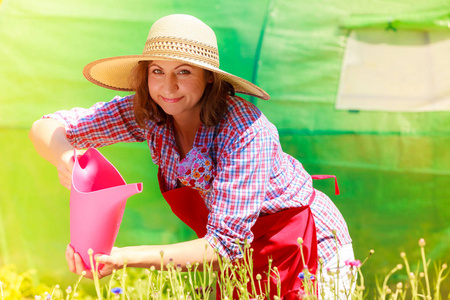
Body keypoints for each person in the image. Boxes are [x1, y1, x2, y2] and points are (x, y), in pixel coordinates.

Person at [29, 14, 354, 299]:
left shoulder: (244, 131)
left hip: (304, 246)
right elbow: (47, 127)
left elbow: (225, 245)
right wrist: (67, 158)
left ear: (209, 76)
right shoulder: (148, 113)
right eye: (157, 71)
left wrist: (123, 257)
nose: (168, 86)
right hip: (242, 259)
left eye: (183, 72)